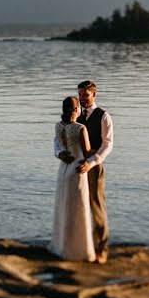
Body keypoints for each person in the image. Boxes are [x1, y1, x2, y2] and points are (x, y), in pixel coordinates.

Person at [54, 80, 113, 263]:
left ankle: (101, 248)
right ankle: (74, 243)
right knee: (74, 206)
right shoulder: (74, 114)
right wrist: (59, 153)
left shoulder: (104, 116)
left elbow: (107, 144)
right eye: (79, 95)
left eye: (85, 95)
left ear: (94, 94)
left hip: (93, 167)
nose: (82, 98)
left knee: (96, 206)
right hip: (73, 168)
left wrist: (92, 162)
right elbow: (57, 140)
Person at [50, 96, 96, 262]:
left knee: (64, 207)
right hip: (77, 170)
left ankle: (62, 245)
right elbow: (87, 151)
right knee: (78, 209)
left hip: (63, 170)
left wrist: (62, 153)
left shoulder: (58, 126)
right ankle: (79, 250)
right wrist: (99, 151)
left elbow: (59, 145)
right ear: (77, 110)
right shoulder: (81, 128)